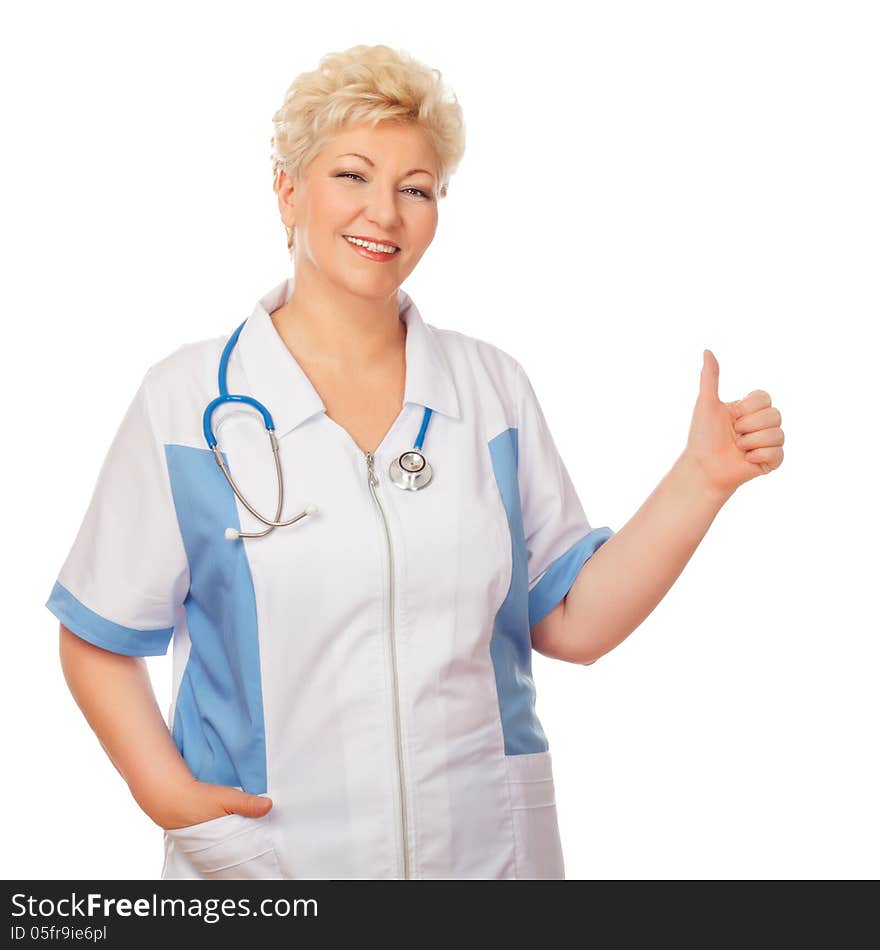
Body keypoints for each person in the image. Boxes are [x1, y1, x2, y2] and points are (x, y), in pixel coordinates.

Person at [45, 44, 784, 881]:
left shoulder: (489, 391)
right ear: (288, 191)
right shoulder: (186, 406)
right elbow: (97, 635)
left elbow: (573, 622)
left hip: (483, 857)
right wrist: (166, 794)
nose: (385, 213)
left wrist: (703, 477)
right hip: (269, 865)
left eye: (416, 188)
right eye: (352, 176)